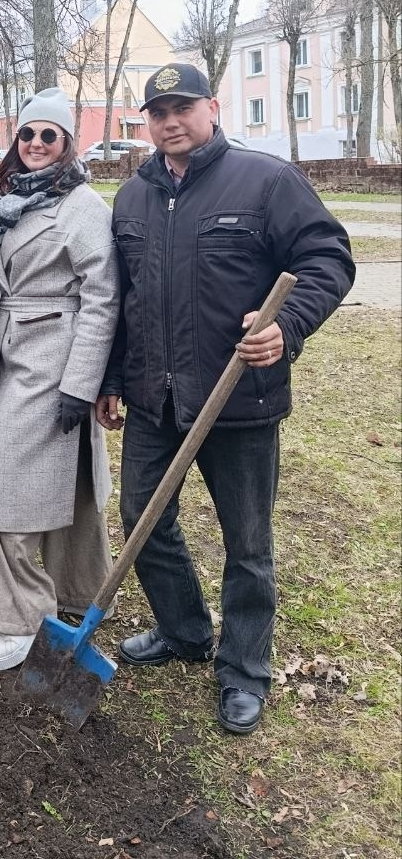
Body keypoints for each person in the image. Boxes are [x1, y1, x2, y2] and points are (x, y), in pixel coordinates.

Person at [95, 62, 355, 736]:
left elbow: (328, 258)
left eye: (182, 106)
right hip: (158, 400)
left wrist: (287, 325)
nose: (169, 121)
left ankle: (243, 670)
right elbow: (127, 301)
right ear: (145, 123)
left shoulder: (267, 181)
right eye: (157, 112)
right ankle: (183, 630)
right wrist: (114, 380)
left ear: (213, 106)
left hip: (239, 401)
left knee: (248, 544)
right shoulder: (132, 198)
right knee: (143, 520)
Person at [0, 88, 120, 672]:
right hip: (11, 349)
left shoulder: (79, 204)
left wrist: (80, 382)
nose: (34, 145)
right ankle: (71, 593)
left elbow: (103, 296)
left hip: (53, 355)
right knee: (54, 480)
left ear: (67, 145)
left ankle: (22, 618)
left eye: (47, 136)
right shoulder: (8, 200)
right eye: (26, 135)